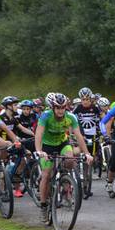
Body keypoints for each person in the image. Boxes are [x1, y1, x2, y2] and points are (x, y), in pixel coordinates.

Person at [35, 93, 93, 223]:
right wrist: (39, 151)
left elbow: (78, 136)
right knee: (46, 175)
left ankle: (65, 182)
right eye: (58, 108)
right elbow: (38, 134)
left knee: (70, 160)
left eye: (63, 107)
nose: (61, 110)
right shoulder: (46, 116)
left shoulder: (71, 117)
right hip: (46, 146)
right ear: (53, 107)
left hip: (62, 143)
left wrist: (87, 153)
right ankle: (43, 206)